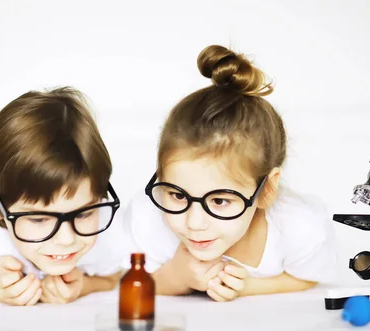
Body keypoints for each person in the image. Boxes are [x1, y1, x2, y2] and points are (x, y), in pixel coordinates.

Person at [124, 45, 337, 302]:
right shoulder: (149, 220)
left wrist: (249, 287)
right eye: (177, 195)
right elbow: (124, 284)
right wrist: (176, 277)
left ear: (266, 190)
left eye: (219, 201)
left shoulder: (299, 227)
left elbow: (306, 277)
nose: (194, 223)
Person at [0, 87, 125, 305]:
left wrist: (84, 286)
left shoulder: (107, 229)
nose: (67, 239)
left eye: (84, 214)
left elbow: (114, 277)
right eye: (39, 219)